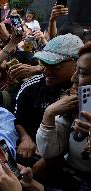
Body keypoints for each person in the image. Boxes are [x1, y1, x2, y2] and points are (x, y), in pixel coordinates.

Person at [14, 34, 84, 161]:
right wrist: (25, 138)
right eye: (43, 63)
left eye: (55, 66)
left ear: (77, 63)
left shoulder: (84, 93)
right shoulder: (31, 87)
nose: (46, 71)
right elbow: (17, 119)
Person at [36, 42, 91, 190]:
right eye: (76, 71)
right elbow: (49, 152)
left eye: (83, 73)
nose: (73, 79)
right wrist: (49, 114)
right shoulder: (75, 107)